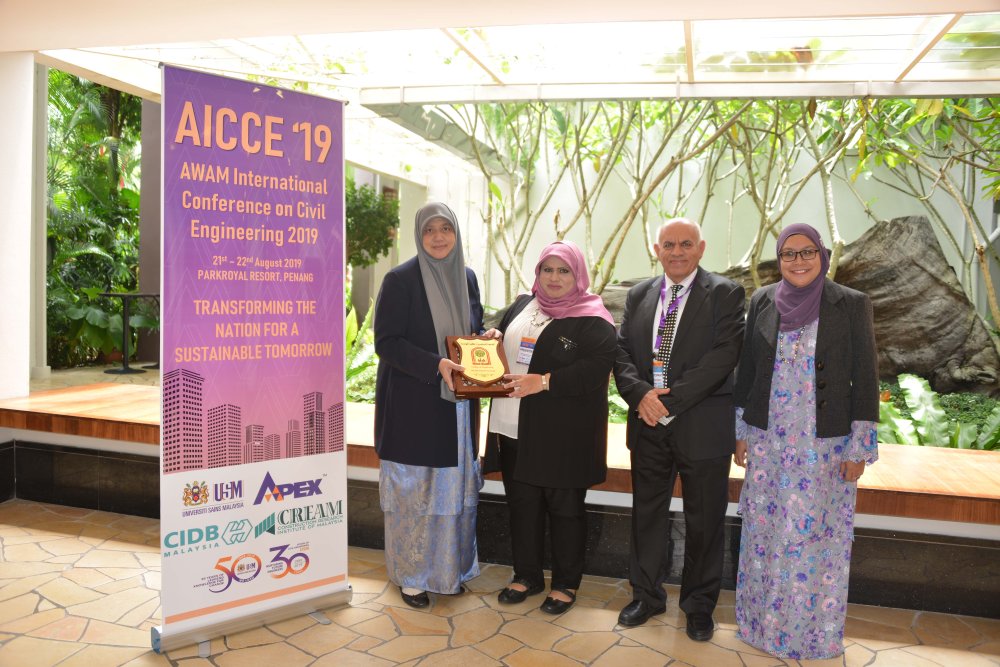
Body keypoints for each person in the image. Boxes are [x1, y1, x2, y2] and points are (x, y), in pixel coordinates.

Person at [732, 223, 878, 659]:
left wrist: (859, 447)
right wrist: (741, 432)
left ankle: (811, 635)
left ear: (823, 255)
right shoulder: (762, 300)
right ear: (779, 259)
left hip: (824, 446)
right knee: (765, 532)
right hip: (769, 441)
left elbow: (866, 378)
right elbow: (747, 371)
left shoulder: (850, 303)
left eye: (807, 252)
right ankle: (761, 629)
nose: (798, 261)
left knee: (817, 539)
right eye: (789, 253)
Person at [613, 218, 745, 640]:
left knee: (704, 520)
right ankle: (646, 596)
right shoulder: (639, 294)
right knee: (647, 515)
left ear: (701, 248)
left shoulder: (724, 293)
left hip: (701, 424)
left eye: (686, 244)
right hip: (648, 424)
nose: (677, 252)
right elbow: (621, 352)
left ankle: (699, 606)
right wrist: (641, 396)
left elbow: (724, 355)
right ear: (657, 250)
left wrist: (666, 402)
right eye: (668, 245)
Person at [485, 240, 616, 615]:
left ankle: (565, 584)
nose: (554, 278)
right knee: (522, 505)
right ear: (537, 272)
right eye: (547, 269)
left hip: (563, 434)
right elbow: (505, 339)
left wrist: (543, 382)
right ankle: (526, 575)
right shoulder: (523, 304)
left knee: (565, 509)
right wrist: (495, 338)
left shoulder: (594, 318)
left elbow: (593, 371)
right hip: (513, 426)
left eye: (564, 271)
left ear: (578, 275)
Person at [373, 201, 484, 609]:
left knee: (452, 491)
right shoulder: (400, 280)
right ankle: (412, 576)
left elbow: (468, 331)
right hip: (415, 407)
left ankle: (448, 570)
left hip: (457, 406)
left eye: (446, 229)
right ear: (419, 236)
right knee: (416, 493)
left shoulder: (466, 277)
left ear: (456, 233)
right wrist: (435, 364)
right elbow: (386, 343)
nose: (438, 237)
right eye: (429, 231)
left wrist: (485, 339)